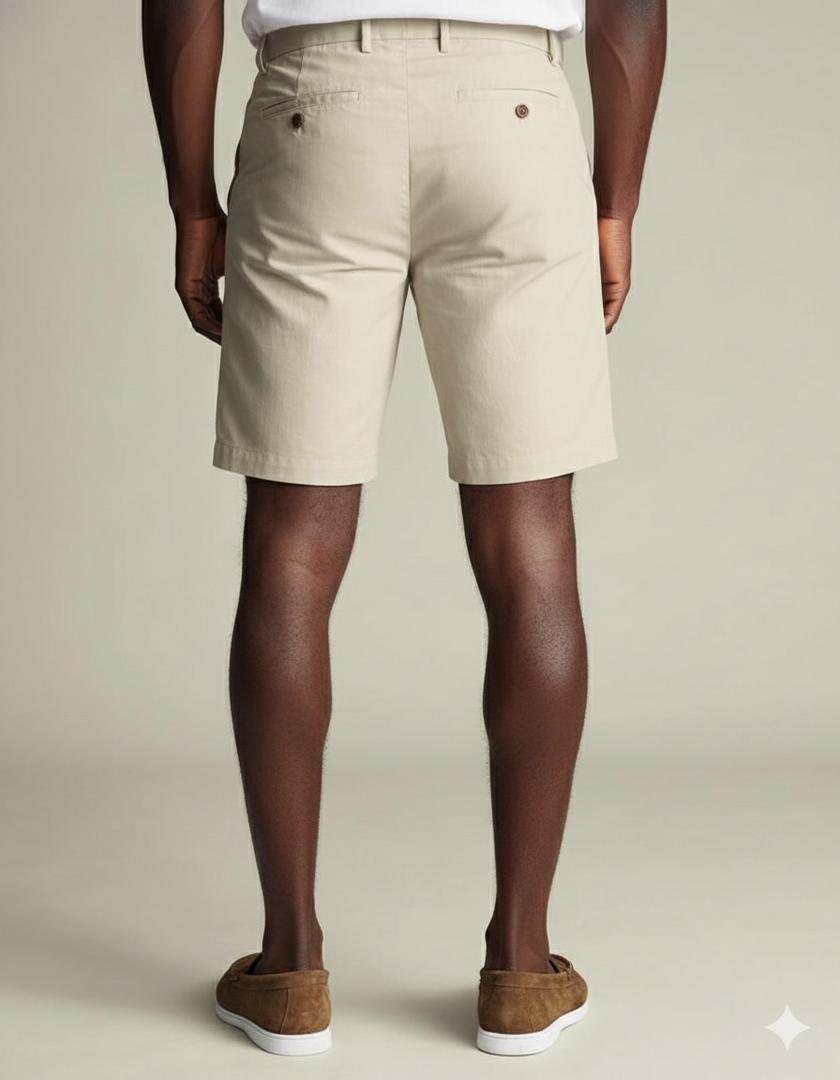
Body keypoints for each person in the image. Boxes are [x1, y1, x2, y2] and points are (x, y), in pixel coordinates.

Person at [143, 0, 665, 1058]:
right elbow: (628, 7)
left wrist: (193, 203)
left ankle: (289, 969)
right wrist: (615, 203)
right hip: (514, 118)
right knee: (532, 549)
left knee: (291, 549)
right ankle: (521, 968)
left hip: (316, 114)